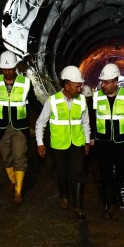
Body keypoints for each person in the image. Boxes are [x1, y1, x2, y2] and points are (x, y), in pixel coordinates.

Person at [0, 50, 42, 204]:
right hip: (1, 126)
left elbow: (33, 102)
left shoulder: (25, 83)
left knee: (19, 157)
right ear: (1, 68)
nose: (7, 72)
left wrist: (45, 114)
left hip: (20, 127)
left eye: (10, 69)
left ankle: (18, 191)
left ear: (15, 68)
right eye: (5, 69)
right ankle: (13, 181)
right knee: (7, 158)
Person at [35, 66, 90, 219]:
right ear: (67, 86)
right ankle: (64, 196)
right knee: (63, 173)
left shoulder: (81, 101)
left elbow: (85, 122)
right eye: (77, 86)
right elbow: (41, 123)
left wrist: (86, 141)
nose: (80, 89)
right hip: (59, 144)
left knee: (78, 173)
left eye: (80, 86)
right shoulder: (52, 101)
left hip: (77, 143)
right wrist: (40, 142)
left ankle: (78, 206)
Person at [92, 63, 124, 219]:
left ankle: (115, 190)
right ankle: (110, 204)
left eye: (106, 82)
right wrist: (91, 138)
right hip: (103, 142)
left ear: (115, 82)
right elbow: (92, 119)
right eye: (102, 82)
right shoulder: (97, 96)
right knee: (105, 173)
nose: (103, 85)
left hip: (122, 142)